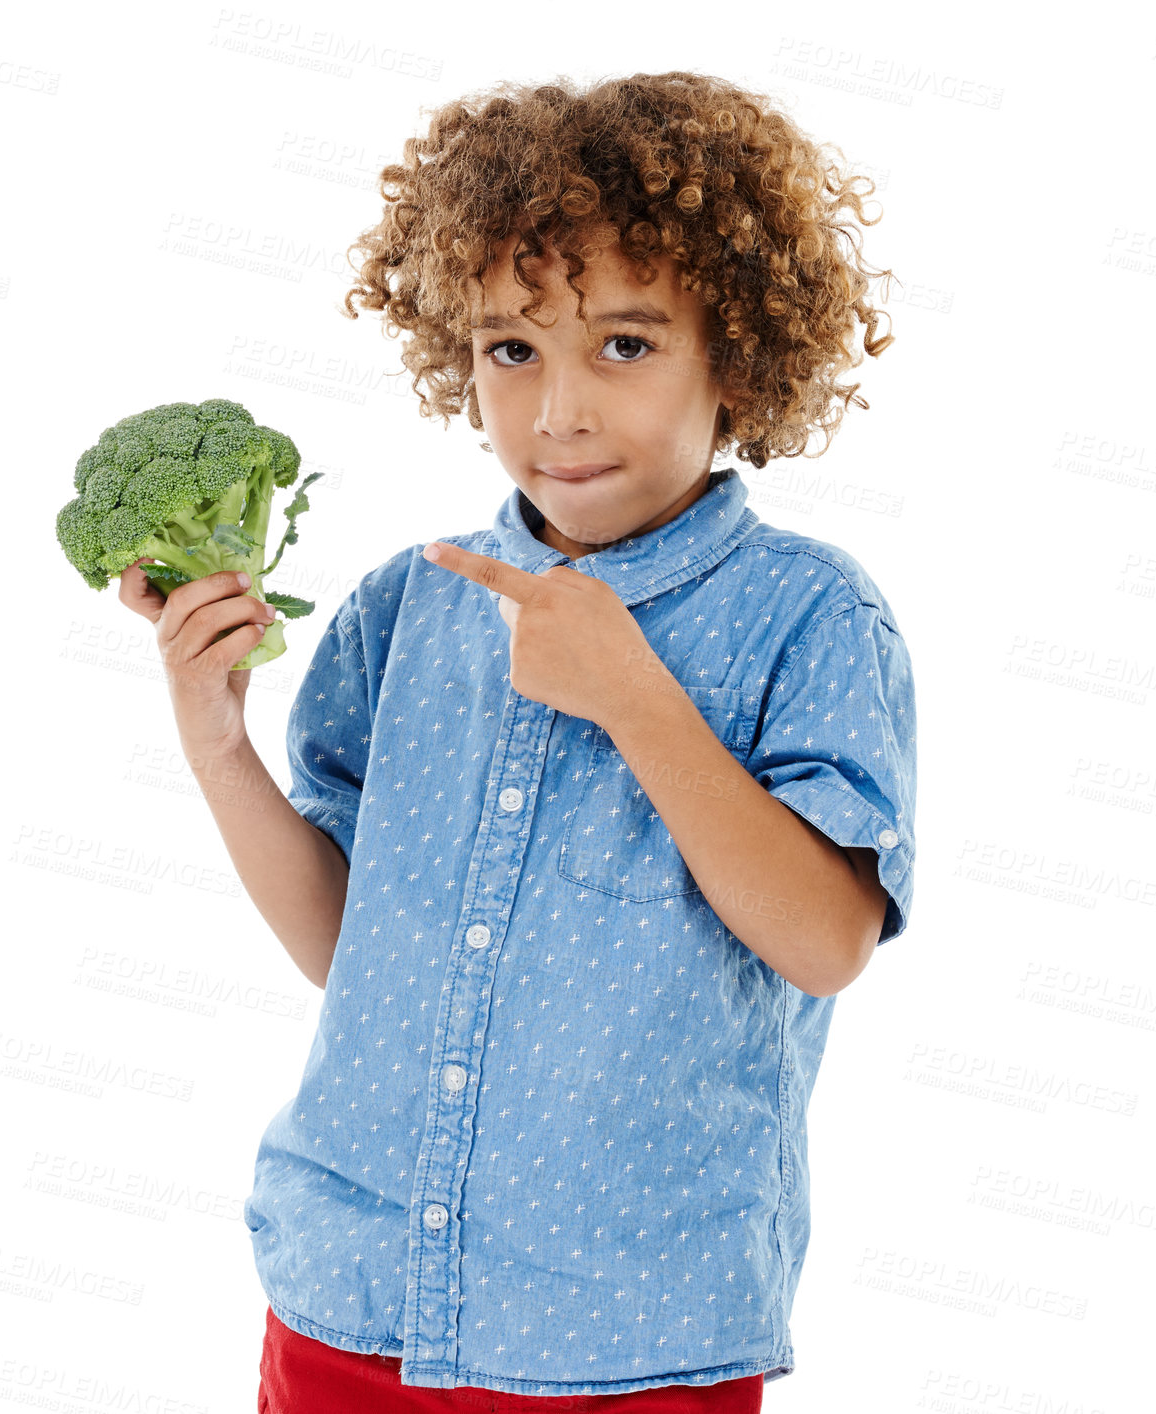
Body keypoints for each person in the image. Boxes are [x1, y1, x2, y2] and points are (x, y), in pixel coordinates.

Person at [120, 70, 917, 1412]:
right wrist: (215, 741)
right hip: (348, 1295)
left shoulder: (808, 615)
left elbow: (824, 940)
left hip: (627, 1330)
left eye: (622, 344)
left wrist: (636, 697)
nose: (556, 411)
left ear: (734, 349)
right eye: (510, 348)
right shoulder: (407, 603)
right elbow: (349, 948)